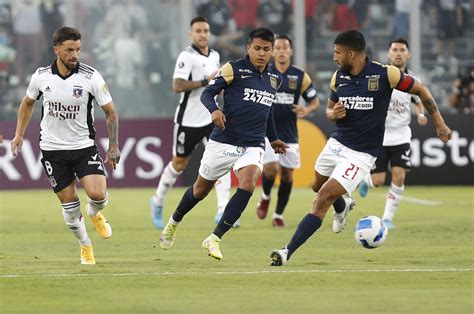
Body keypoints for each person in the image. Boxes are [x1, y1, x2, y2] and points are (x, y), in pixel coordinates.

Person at [270, 30, 452, 266]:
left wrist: (439, 123)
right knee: (318, 186)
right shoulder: (338, 77)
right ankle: (343, 204)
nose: (334, 57)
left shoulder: (387, 74)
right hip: (336, 143)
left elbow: (421, 90)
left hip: (362, 154)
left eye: (337, 52)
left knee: (323, 197)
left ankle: (286, 252)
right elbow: (329, 109)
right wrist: (332, 114)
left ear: (351, 54)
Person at [159, 27, 288, 261]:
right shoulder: (233, 69)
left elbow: (266, 112)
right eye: (257, 48)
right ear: (248, 48)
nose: (261, 53)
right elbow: (208, 94)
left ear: (271, 52)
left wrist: (273, 138)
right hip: (224, 141)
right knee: (200, 191)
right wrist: (215, 110)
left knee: (248, 185)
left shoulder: (274, 79)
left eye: (266, 49)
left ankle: (215, 238)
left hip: (253, 144)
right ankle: (174, 221)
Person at [10, 27, 121, 265]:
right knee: (70, 206)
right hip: (52, 149)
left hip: (83, 146)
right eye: (70, 50)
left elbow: (111, 112)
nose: (75, 55)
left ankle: (94, 213)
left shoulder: (91, 76)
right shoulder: (41, 77)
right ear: (56, 50)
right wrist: (19, 134)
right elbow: (27, 104)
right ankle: (85, 246)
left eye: (78, 50)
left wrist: (113, 146)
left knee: (98, 195)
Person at [149, 17, 233, 229]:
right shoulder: (187, 56)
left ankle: (223, 210)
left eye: (206, 30)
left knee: (222, 159)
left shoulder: (215, 55)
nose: (203, 34)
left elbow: (216, 85)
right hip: (188, 120)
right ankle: (157, 201)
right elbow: (177, 86)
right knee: (179, 164)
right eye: (198, 31)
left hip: (211, 116)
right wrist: (207, 80)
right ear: (191, 34)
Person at [357, 38, 428, 229]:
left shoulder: (414, 79)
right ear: (389, 53)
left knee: (399, 176)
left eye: (402, 49)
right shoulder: (381, 76)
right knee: (379, 181)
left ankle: (387, 218)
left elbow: (418, 98)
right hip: (380, 135)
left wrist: (421, 113)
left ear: (408, 54)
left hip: (402, 135)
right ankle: (365, 180)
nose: (398, 53)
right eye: (394, 49)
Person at [255, 34, 319, 227]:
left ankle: (278, 214)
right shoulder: (264, 72)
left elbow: (314, 101)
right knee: (271, 169)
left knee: (287, 175)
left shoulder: (300, 76)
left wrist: (306, 109)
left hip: (290, 132)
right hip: (267, 130)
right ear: (272, 51)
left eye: (285, 47)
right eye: (278, 47)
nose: (282, 51)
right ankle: (265, 196)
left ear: (291, 51)